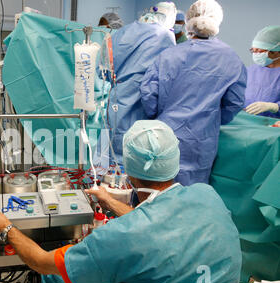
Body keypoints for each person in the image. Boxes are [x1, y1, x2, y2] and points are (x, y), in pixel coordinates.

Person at [0, 120, 242, 283]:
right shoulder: (206, 196)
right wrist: (110, 202)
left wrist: (5, 228)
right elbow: (161, 227)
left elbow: (41, 263)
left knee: (56, 280)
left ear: (130, 170)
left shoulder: (119, 238)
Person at [140, 0, 247, 186]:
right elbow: (234, 103)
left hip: (163, 136)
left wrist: (161, 115)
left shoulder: (168, 55)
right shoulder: (231, 59)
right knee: (192, 197)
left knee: (157, 194)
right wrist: (209, 120)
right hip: (201, 142)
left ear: (189, 20)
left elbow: (149, 95)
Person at [103, 2, 177, 166]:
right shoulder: (164, 36)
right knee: (136, 154)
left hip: (116, 99)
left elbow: (103, 71)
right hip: (141, 103)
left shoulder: (121, 32)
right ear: (169, 18)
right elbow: (167, 78)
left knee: (108, 151)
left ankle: (103, 184)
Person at [244, 26, 280, 119]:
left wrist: (275, 107)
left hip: (274, 127)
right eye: (253, 50)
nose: (256, 54)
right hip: (248, 123)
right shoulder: (250, 71)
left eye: (260, 51)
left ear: (277, 52)